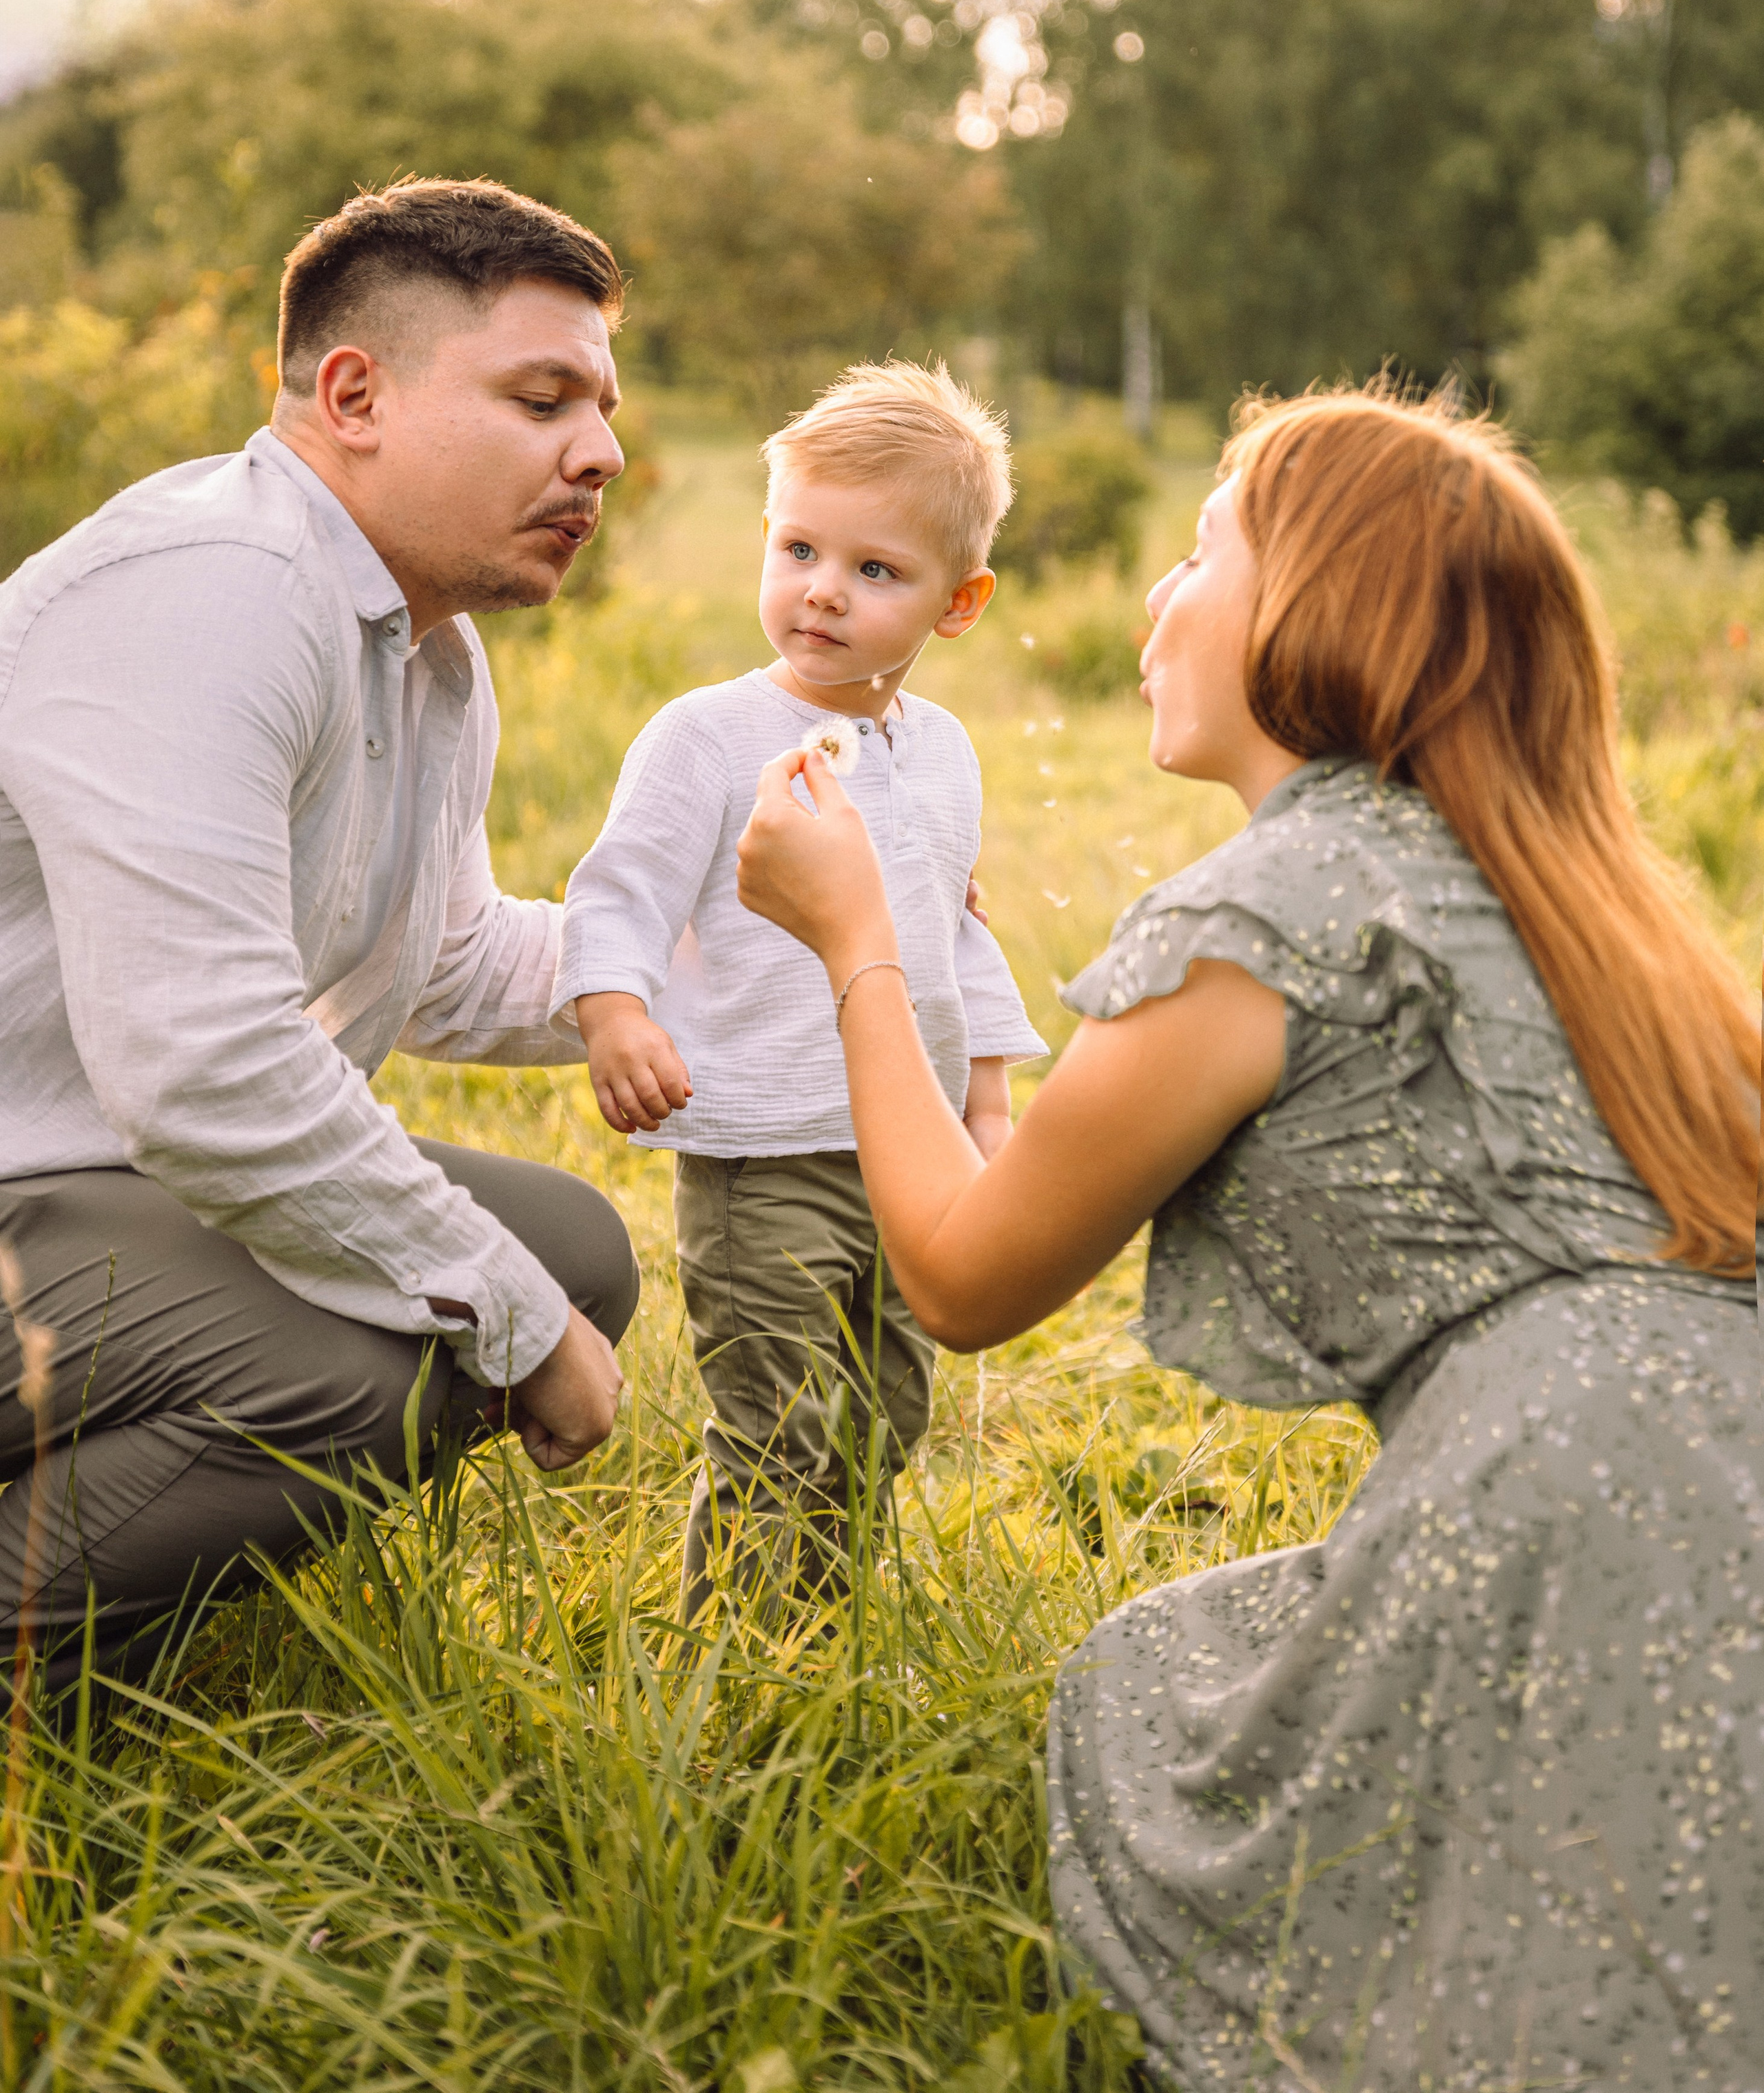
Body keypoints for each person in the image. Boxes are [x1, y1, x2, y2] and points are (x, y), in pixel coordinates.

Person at [734, 389, 1762, 2090]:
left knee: (1157, 1722)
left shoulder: (1258, 919)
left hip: (1564, 1485)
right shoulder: (1586, 905)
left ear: (1316, 607)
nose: (1155, 598)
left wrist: (854, 940)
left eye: (1202, 549)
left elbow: (960, 1276)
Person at [0, 176, 638, 1692]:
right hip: (43, 1180)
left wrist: (784, 938)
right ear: (352, 392)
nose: (601, 453)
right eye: (542, 396)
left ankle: (103, 1628)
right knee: (377, 1358)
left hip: (91, 1187)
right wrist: (514, 1320)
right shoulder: (210, 594)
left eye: (603, 407)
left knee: (573, 1248)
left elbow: (455, 959)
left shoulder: (422, 649)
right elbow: (207, 1068)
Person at [555, 361, 1045, 1616]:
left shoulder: (942, 755)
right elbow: (620, 893)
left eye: (875, 571)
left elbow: (957, 937)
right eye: (799, 547)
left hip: (910, 1159)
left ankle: (830, 1613)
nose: (823, 589)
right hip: (764, 1155)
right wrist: (615, 1012)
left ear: (960, 601)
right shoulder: (705, 737)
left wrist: (987, 1105)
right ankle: (739, 1648)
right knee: (777, 1419)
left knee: (884, 1410)